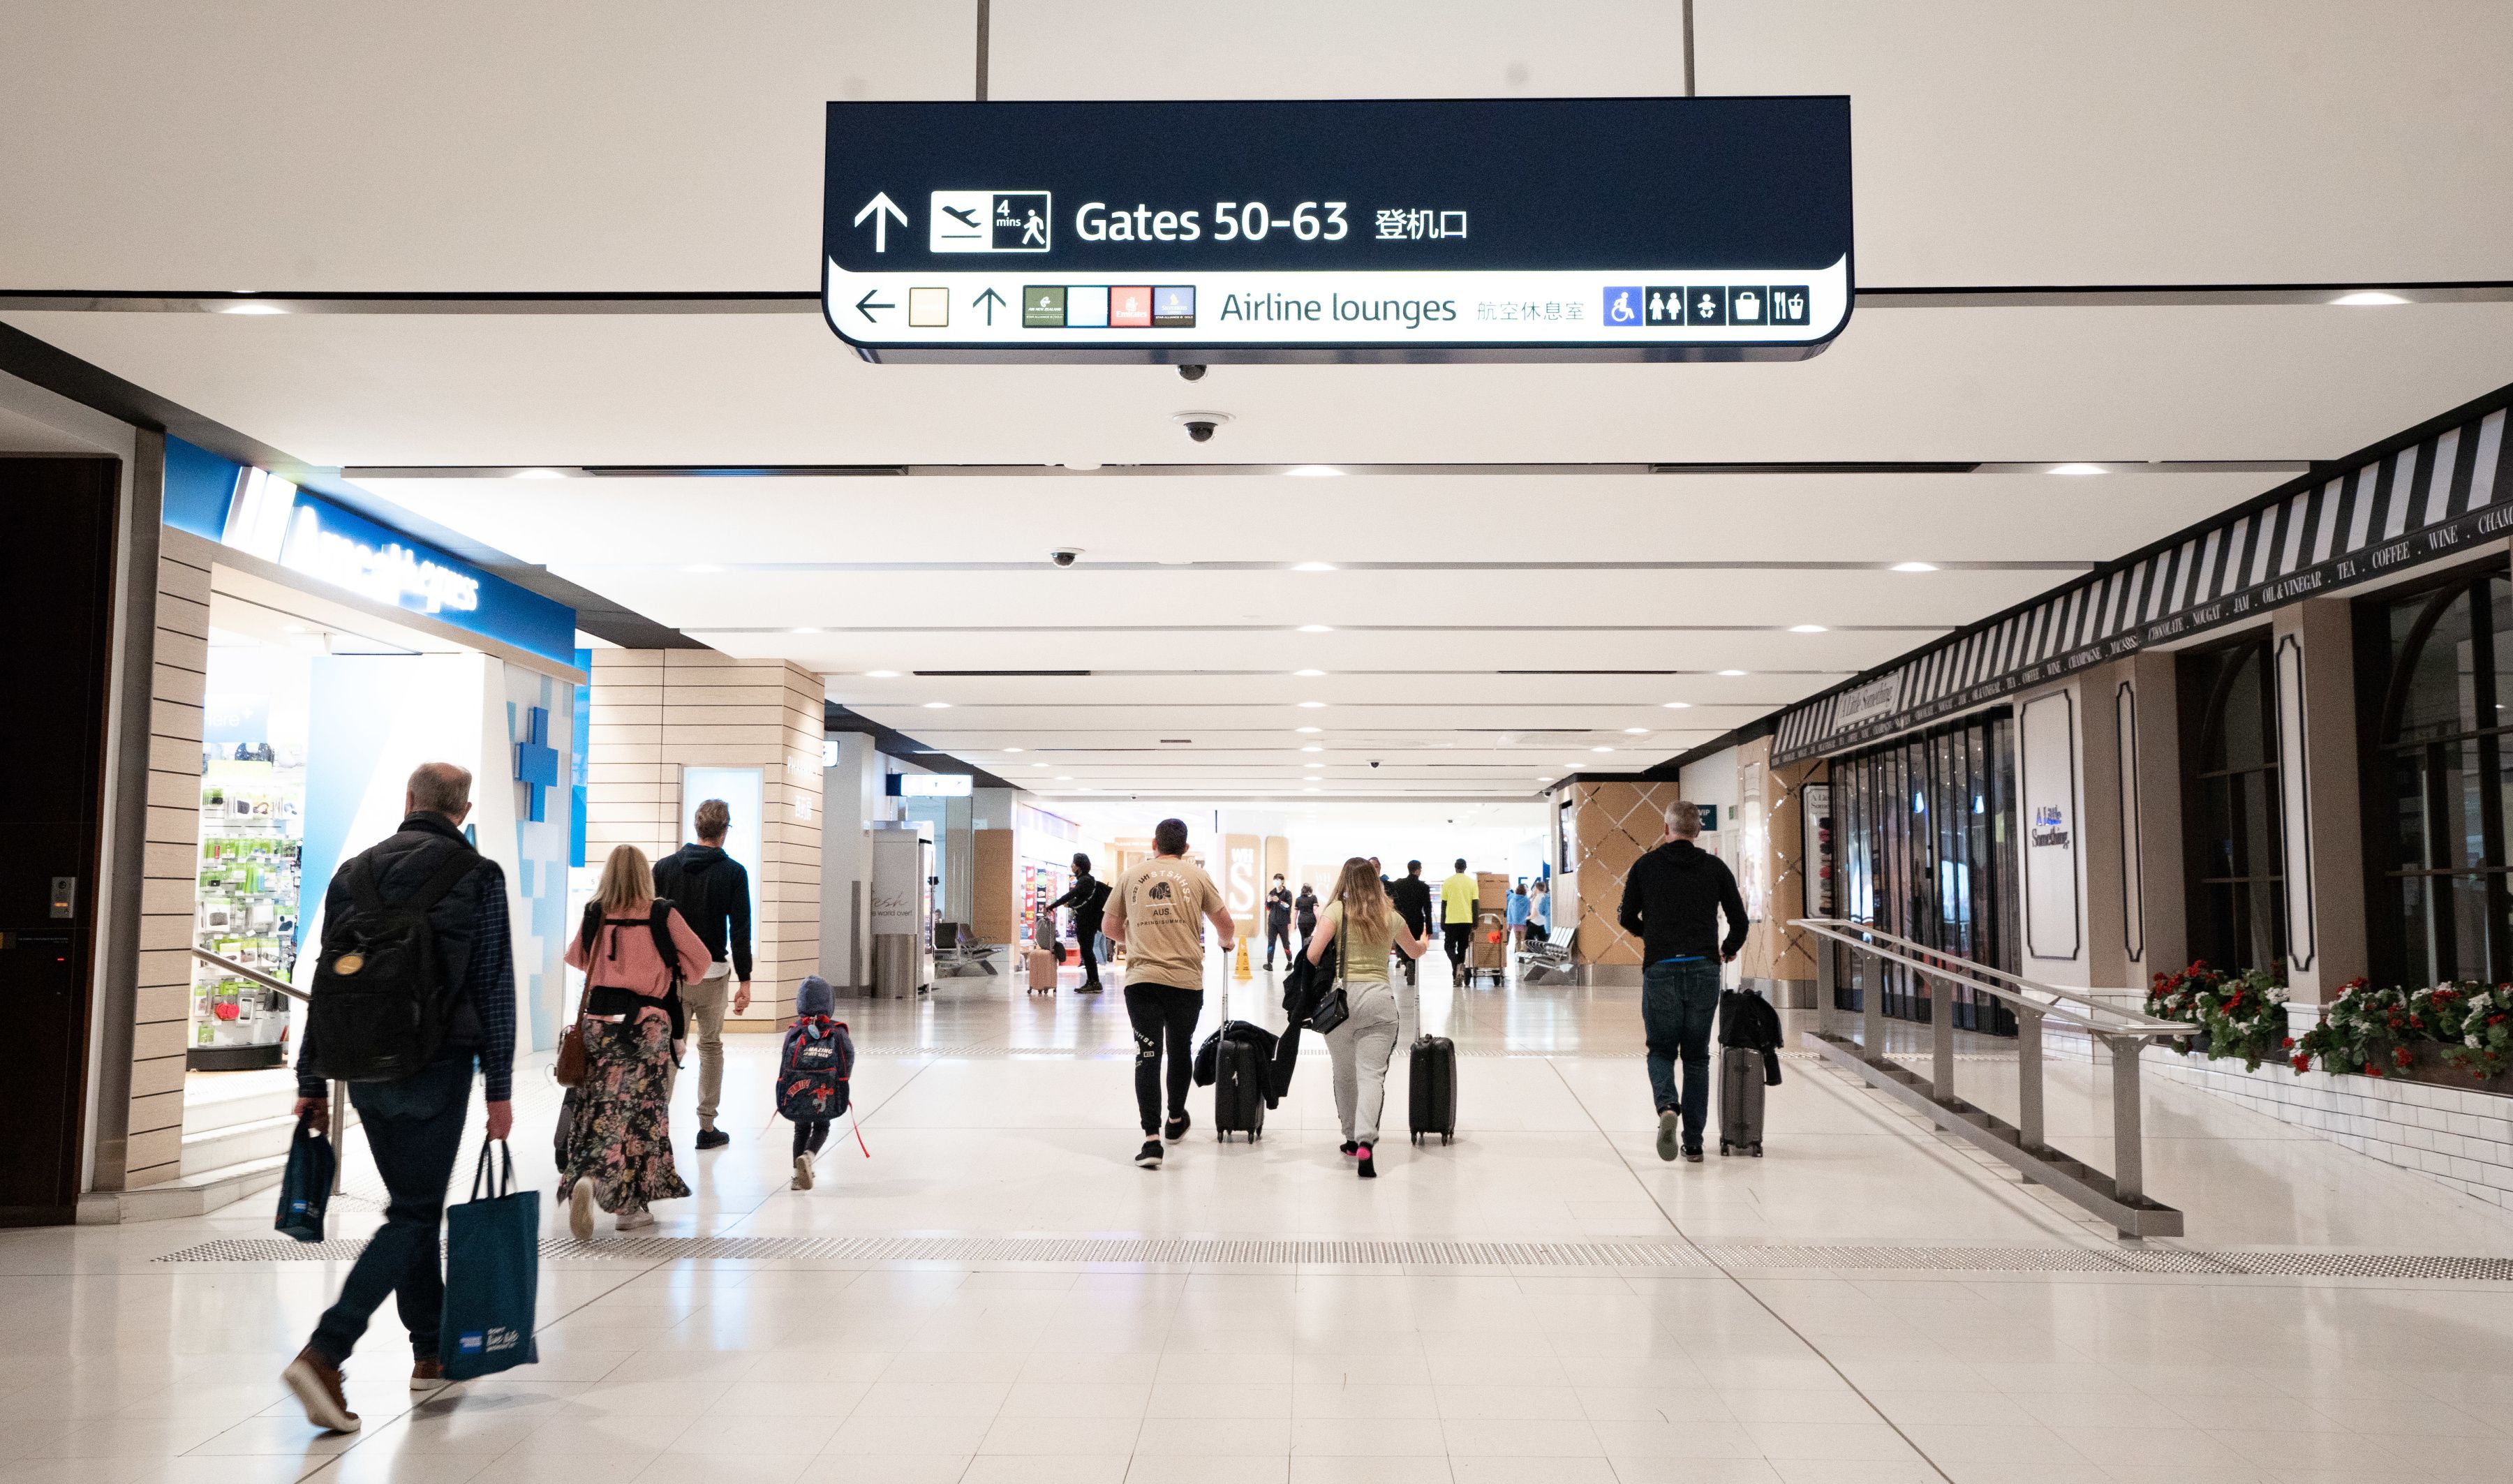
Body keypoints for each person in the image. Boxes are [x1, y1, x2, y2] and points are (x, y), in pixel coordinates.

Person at [282, 762, 515, 1432]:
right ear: (463, 810)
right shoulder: (478, 875)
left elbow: (328, 979)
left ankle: (431, 1350)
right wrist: (499, 1088)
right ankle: (327, 1351)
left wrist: (311, 1078)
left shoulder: (353, 873)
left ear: (409, 800)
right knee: (413, 1213)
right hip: (437, 1065)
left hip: (361, 1064)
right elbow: (493, 984)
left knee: (412, 1206)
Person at [563, 843, 715, 1236]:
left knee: (599, 1108)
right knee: (640, 1116)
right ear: (645, 874)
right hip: (647, 1026)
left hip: (599, 1023)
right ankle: (628, 1209)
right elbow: (700, 963)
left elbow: (578, 958)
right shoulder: (662, 914)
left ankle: (589, 1178)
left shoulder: (596, 912)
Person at [1619, 803, 1749, 1164]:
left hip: (1661, 967)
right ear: (1697, 831)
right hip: (1704, 967)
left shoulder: (1645, 866)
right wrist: (1728, 948)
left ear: (1666, 828)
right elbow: (1739, 920)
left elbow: (1626, 916)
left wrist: (1652, 935)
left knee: (1661, 1050)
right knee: (1696, 1058)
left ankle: (1667, 1107)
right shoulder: (1715, 867)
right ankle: (1693, 1144)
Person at [1103, 817, 1233, 1170]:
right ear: (1186, 848)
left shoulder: (1131, 875)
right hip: (1184, 981)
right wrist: (1226, 942)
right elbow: (1225, 924)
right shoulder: (1198, 876)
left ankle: (1151, 1141)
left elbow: (1109, 926)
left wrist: (1136, 939)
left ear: (1154, 844)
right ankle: (1175, 1120)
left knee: (1147, 1054)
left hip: (1142, 981)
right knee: (1179, 1049)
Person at [1305, 857, 1435, 1179]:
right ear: (1375, 882)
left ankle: (1350, 1139)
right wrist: (1424, 943)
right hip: (1379, 1002)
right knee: (1371, 1076)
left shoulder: (1335, 912)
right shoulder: (1390, 915)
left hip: (1341, 1004)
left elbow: (1313, 954)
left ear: (1345, 881)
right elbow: (1414, 952)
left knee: (1344, 1075)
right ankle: (1366, 1141)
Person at [651, 799, 751, 1150]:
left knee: (668, 1046)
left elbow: (652, 924)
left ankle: (656, 1127)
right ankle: (707, 1127)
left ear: (697, 828)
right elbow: (740, 931)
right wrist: (745, 982)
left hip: (673, 977)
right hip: (713, 974)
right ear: (724, 831)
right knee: (710, 1047)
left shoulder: (664, 868)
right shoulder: (734, 872)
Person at [782, 974, 843, 1190]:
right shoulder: (836, 1031)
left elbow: (785, 1062)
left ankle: (797, 1178)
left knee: (801, 1129)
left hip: (799, 1091)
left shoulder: (794, 1031)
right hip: (824, 1091)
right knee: (822, 1127)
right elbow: (847, 1057)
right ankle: (808, 1157)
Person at [1044, 852, 1109, 991]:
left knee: (1087, 951)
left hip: (1087, 922)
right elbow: (1080, 899)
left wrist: (1052, 906)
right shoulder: (1088, 880)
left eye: (1073, 863)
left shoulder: (1085, 880)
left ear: (1079, 866)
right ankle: (1092, 981)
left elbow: (1070, 895)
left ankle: (1095, 983)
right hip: (1089, 921)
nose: (1072, 866)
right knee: (1087, 951)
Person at [1386, 860, 1434, 988]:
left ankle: (1406, 962)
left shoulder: (1398, 884)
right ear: (1417, 870)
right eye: (1421, 869)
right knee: (1414, 944)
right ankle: (1411, 963)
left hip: (1402, 919)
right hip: (1417, 921)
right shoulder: (1424, 887)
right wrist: (1429, 928)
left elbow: (1392, 902)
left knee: (1400, 945)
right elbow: (1428, 909)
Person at [1440, 857, 1478, 988]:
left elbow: (1444, 904)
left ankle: (1456, 967)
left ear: (1455, 867)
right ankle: (1458, 971)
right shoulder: (1472, 883)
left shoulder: (1448, 882)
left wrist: (1442, 922)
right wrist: (1475, 923)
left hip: (1451, 921)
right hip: (1466, 920)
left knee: (1449, 947)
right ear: (1465, 868)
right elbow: (1475, 904)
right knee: (1462, 948)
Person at [1263, 873, 1294, 970]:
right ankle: (1270, 964)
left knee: (1286, 943)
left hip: (1283, 923)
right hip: (1272, 922)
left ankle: (1290, 962)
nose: (1276, 882)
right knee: (1271, 943)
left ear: (1282, 881)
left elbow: (1288, 906)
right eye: (1275, 880)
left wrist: (1279, 901)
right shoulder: (1272, 892)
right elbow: (1267, 908)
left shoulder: (1287, 893)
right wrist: (1268, 901)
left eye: (1278, 880)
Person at [1507, 880, 1532, 952]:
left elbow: (1510, 913)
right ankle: (1524, 954)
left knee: (1517, 940)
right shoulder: (1527, 901)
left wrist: (1509, 925)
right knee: (1524, 940)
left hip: (1515, 924)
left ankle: (1518, 954)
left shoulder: (1512, 900)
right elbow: (1529, 912)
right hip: (1524, 924)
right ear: (1524, 891)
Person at [1527, 877, 1552, 944]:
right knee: (1543, 942)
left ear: (1536, 888)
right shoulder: (1547, 897)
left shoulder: (1538, 899)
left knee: (1528, 940)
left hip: (1536, 922)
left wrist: (1527, 918)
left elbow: (1535, 913)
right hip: (1545, 923)